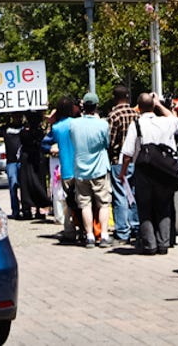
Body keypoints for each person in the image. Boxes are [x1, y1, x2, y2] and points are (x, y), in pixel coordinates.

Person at [119, 93, 178, 255]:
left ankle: (149, 244)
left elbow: (127, 153)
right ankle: (164, 243)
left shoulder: (137, 124)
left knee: (145, 207)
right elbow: (175, 120)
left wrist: (123, 173)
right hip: (165, 170)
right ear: (153, 105)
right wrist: (159, 105)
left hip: (144, 171)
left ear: (138, 108)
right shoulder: (166, 122)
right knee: (163, 206)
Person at [68, 92, 113, 248]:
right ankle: (104, 235)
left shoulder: (73, 124)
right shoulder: (103, 124)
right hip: (99, 168)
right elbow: (107, 143)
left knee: (84, 204)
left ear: (83, 107)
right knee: (103, 203)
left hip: (80, 169)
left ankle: (89, 236)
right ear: (96, 106)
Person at [42, 96, 81, 242]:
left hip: (66, 169)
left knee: (68, 202)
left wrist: (53, 149)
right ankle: (85, 229)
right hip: (82, 168)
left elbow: (44, 145)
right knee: (83, 201)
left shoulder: (57, 128)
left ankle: (69, 229)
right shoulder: (78, 124)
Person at [106, 85, 140, 244]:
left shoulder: (113, 116)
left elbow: (110, 141)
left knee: (120, 195)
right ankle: (136, 226)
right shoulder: (136, 114)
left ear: (115, 97)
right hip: (136, 159)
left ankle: (122, 231)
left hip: (118, 160)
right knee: (133, 193)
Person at [0, 113, 24, 219]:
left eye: (19, 116)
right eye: (16, 116)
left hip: (23, 162)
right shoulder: (5, 128)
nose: (18, 117)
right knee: (13, 185)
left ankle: (26, 210)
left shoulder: (25, 128)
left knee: (24, 187)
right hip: (11, 162)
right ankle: (15, 210)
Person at [17, 110, 51, 219]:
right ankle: (38, 208)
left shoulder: (24, 133)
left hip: (29, 158)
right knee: (38, 182)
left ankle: (28, 208)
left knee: (26, 183)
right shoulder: (39, 133)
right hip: (36, 158)